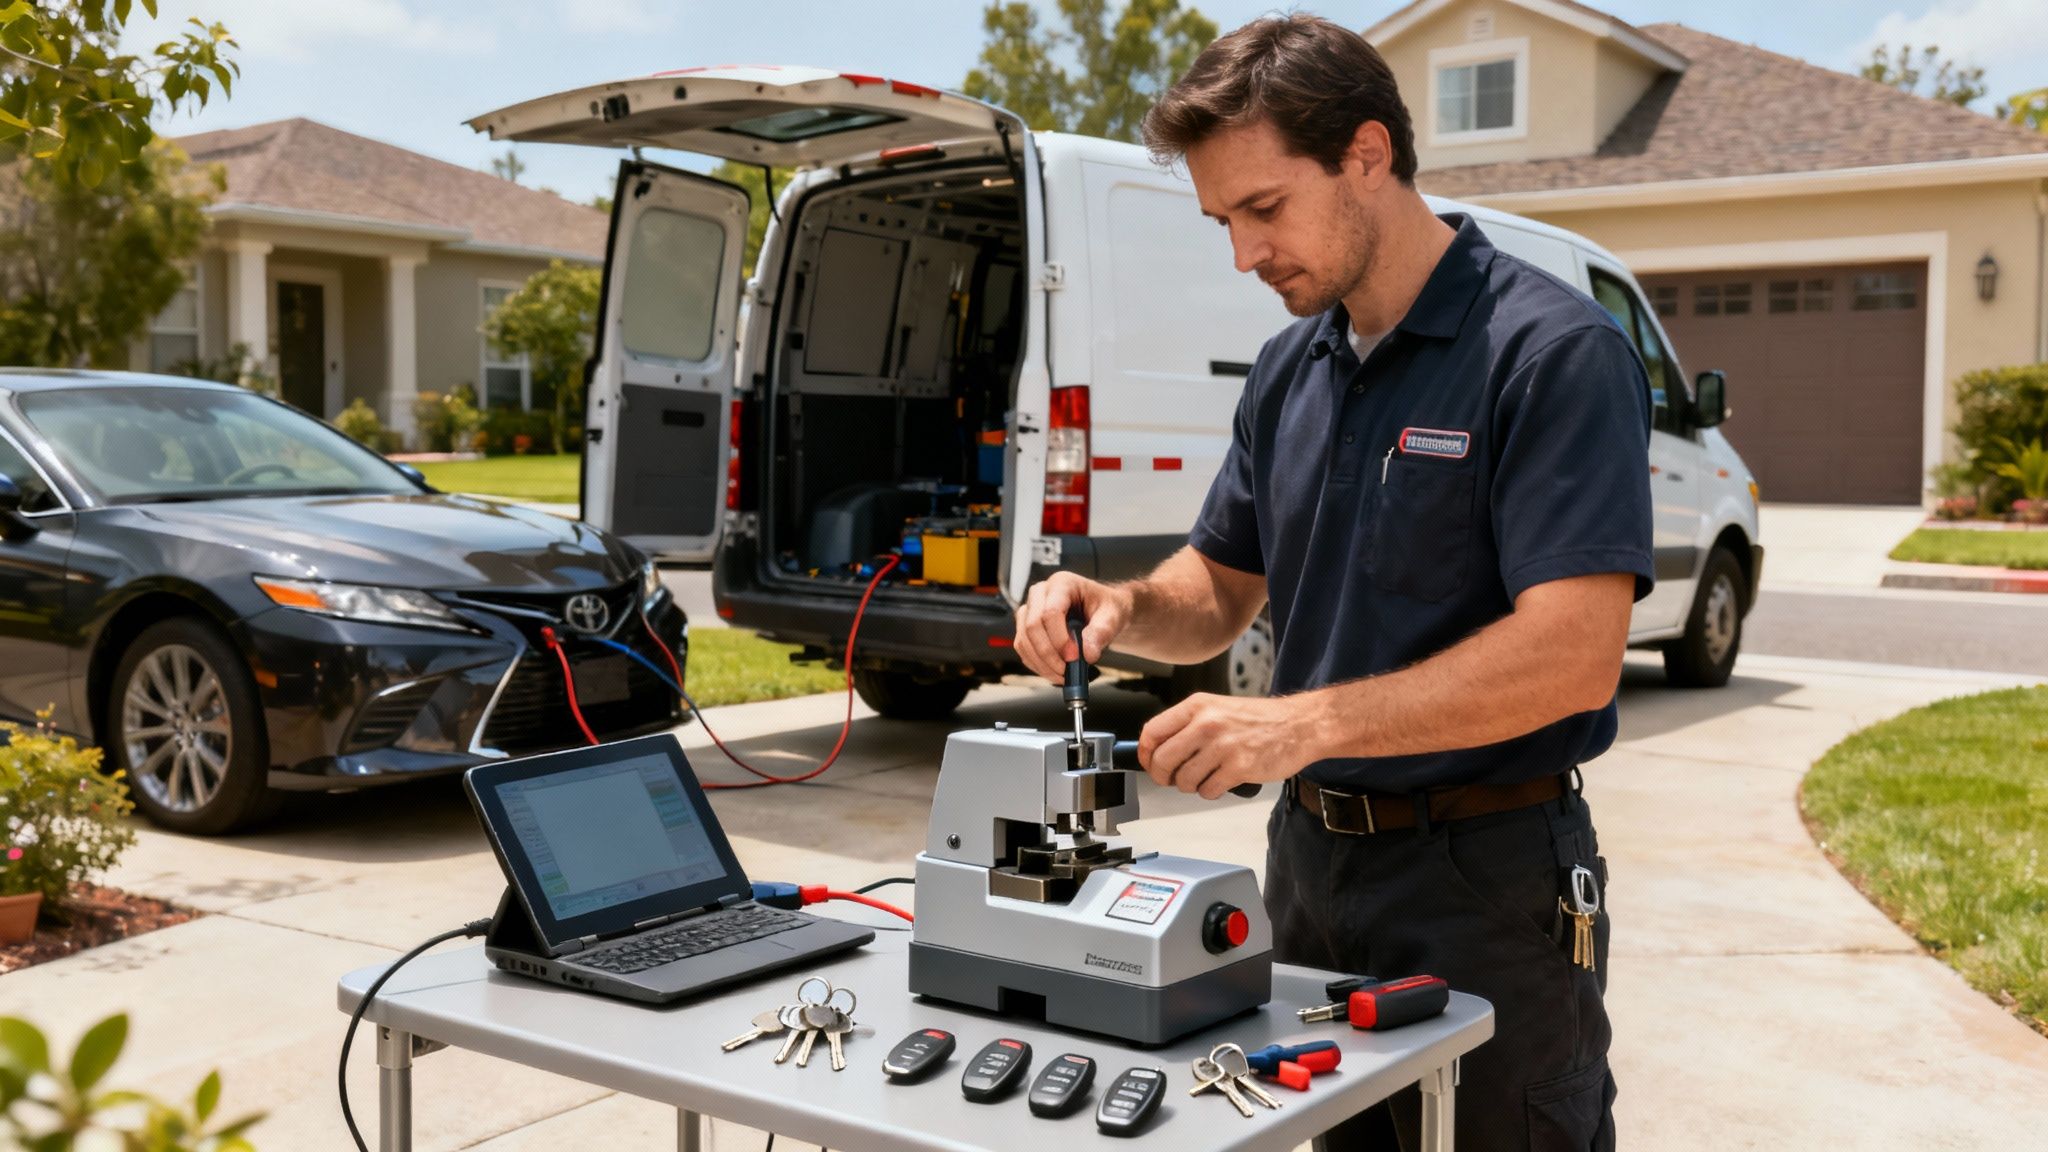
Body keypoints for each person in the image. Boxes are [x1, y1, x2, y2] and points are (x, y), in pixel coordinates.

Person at [1011, 14, 1654, 1151]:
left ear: (1367, 154)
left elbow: (1573, 654)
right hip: (1306, 876)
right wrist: (1119, 606)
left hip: (1485, 883)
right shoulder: (1287, 368)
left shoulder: (1548, 353)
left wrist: (1293, 724)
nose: (1243, 254)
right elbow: (1217, 585)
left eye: (1263, 209)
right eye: (1222, 221)